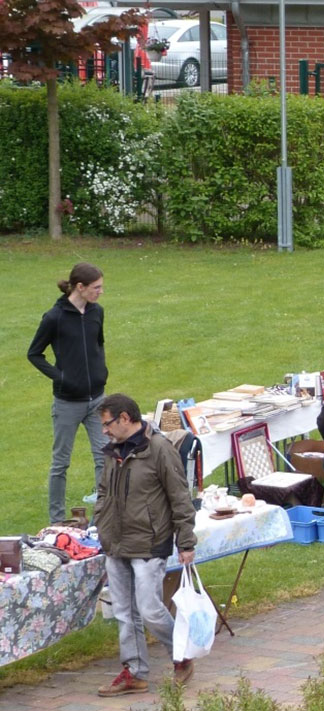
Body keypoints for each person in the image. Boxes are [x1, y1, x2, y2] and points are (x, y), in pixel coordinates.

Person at [93, 393, 197, 697]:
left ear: (125, 418)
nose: (104, 430)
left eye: (107, 424)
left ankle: (182, 655)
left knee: (151, 610)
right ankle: (134, 673)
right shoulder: (113, 451)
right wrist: (101, 520)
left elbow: (180, 497)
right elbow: (103, 491)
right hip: (116, 542)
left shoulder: (159, 449)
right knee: (124, 613)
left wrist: (186, 541)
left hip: (150, 543)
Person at [28, 262, 110, 524]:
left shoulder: (97, 312)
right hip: (67, 403)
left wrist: (101, 372)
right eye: (96, 287)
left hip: (97, 399)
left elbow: (98, 345)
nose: (101, 292)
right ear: (80, 287)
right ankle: (56, 520)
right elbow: (34, 354)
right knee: (61, 463)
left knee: (104, 457)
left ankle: (103, 516)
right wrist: (61, 377)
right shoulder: (54, 318)